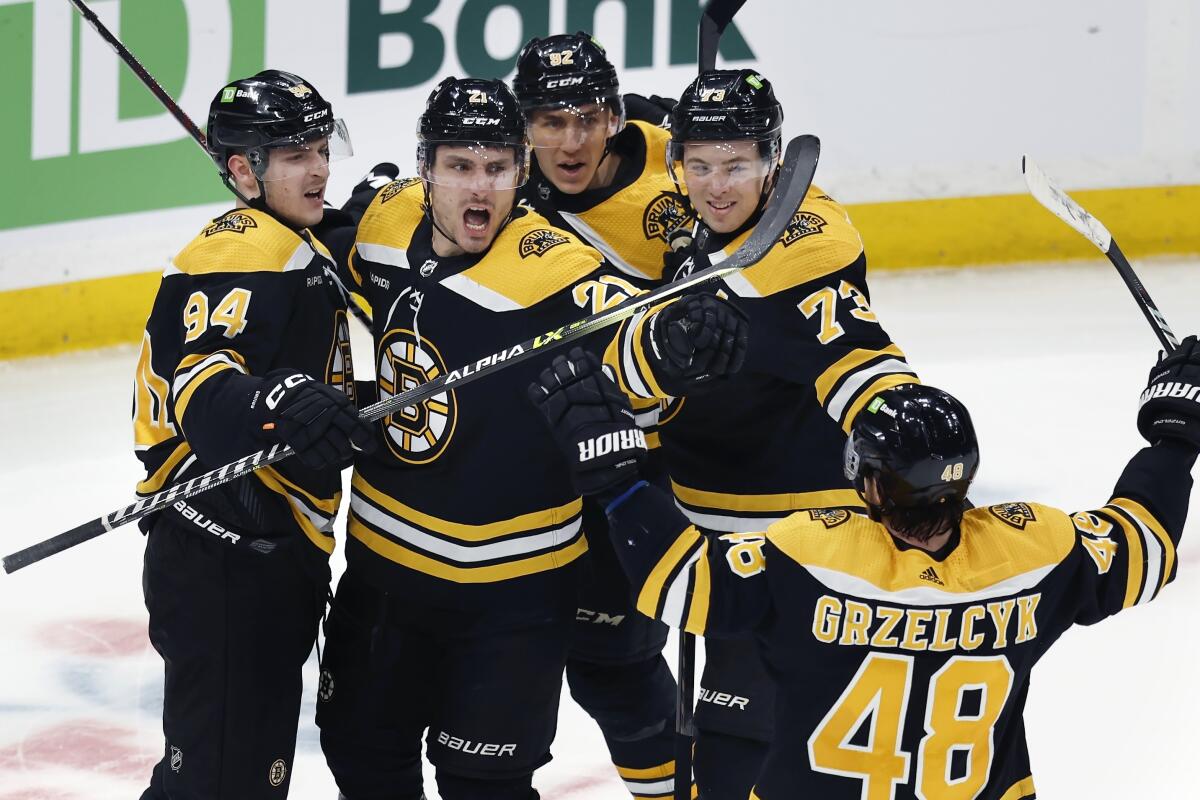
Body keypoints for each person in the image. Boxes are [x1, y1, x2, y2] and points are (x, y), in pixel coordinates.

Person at [314, 77, 745, 800]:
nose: (478, 187)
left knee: (486, 788)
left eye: (497, 167)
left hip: (517, 597)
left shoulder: (554, 264)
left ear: (521, 171)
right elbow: (337, 274)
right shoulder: (386, 222)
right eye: (459, 166)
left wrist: (675, 340)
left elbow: (625, 340)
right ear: (425, 168)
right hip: (384, 579)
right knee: (364, 764)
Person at [530, 339, 1199, 799]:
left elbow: (680, 583)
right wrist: (1175, 433)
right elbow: (1143, 542)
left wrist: (619, 482)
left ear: (871, 485)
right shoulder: (1033, 552)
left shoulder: (812, 554)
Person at [600, 68, 920, 798]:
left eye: (738, 165)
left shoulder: (802, 250)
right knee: (710, 749)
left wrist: (899, 418)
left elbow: (862, 363)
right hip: (710, 540)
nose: (718, 186)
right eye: (700, 165)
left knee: (739, 758)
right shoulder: (703, 222)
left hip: (789, 551)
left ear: (773, 161)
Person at [133, 69, 374, 799]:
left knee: (229, 773)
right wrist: (279, 402)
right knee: (220, 782)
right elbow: (204, 399)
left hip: (257, 550)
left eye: (320, 146)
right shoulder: (240, 248)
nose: (321, 167)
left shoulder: (288, 237)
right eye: (297, 154)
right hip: (223, 552)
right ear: (244, 170)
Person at [512, 32, 693, 796]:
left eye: (588, 117)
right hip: (532, 454)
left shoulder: (673, 163)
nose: (571, 139)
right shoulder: (497, 178)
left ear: (615, 115)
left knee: (618, 666)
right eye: (550, 121)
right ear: (522, 126)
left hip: (641, 451)